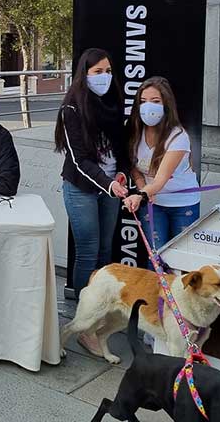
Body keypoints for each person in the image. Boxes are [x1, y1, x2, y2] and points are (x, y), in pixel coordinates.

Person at [55, 48, 130, 301]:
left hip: (111, 187)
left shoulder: (114, 102)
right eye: (97, 72)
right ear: (84, 75)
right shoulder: (71, 109)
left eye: (108, 71)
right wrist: (108, 184)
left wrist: (121, 173)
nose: (104, 77)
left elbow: (123, 146)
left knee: (105, 249)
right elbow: (79, 160)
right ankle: (83, 313)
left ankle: (101, 304)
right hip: (81, 189)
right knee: (87, 250)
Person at [123, 77, 200, 249]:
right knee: (156, 257)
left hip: (182, 204)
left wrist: (140, 195)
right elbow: (134, 168)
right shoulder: (135, 131)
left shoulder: (178, 136)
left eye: (155, 101)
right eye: (143, 101)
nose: (148, 106)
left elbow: (160, 179)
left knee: (181, 259)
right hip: (153, 202)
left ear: (166, 104)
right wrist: (143, 189)